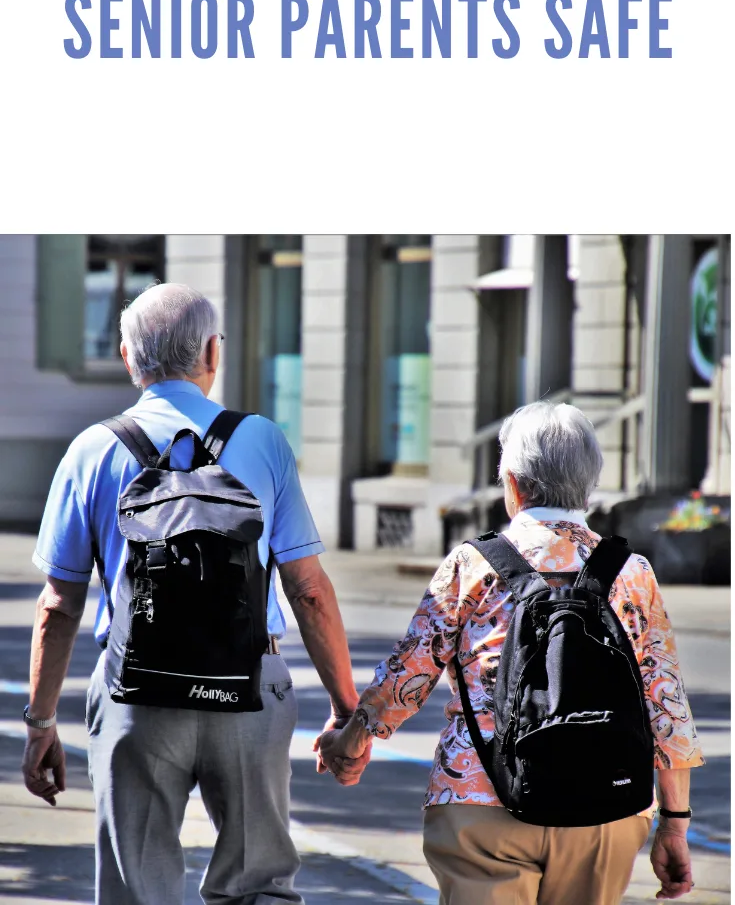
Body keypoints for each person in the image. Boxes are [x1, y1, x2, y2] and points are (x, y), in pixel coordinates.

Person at [22, 282, 367, 905]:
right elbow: (309, 589)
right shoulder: (262, 441)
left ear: (129, 359)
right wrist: (348, 711)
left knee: (137, 888)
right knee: (259, 884)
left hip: (137, 695)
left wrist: (41, 723)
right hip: (248, 691)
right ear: (214, 353)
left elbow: (59, 607)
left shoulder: (91, 450)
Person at [318, 400, 705, 905]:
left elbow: (408, 675)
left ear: (514, 484)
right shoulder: (632, 572)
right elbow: (666, 704)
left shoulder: (472, 565)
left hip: (481, 800)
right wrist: (674, 824)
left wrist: (352, 738)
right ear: (588, 482)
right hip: (605, 807)